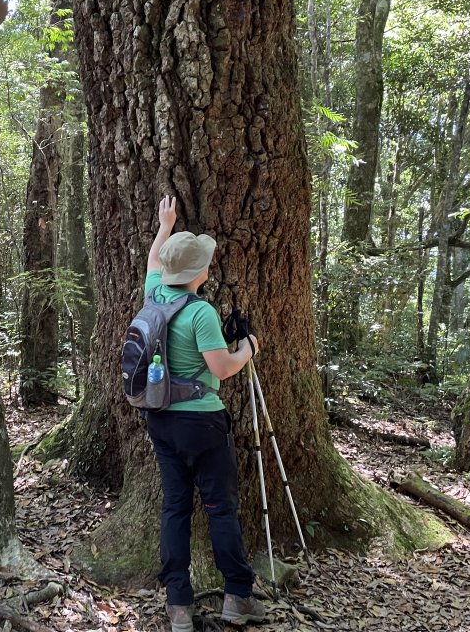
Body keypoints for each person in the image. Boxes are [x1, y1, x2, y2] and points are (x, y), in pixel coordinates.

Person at [144, 195, 268, 632]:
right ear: (201, 273)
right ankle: (237, 596)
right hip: (202, 421)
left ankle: (179, 606)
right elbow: (222, 368)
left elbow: (153, 262)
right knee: (219, 507)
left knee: (175, 506)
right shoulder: (201, 313)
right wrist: (247, 349)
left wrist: (166, 225)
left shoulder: (154, 294)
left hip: (159, 417)